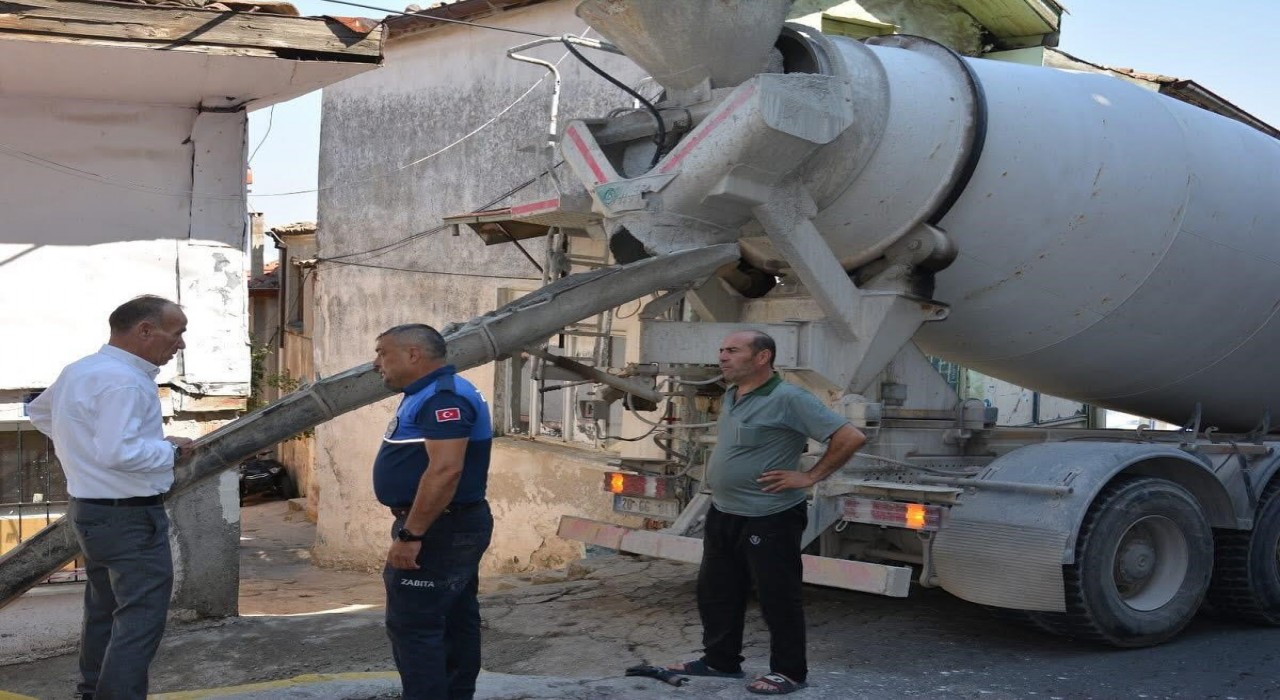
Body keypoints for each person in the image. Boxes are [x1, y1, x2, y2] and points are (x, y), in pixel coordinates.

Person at [668, 329, 866, 696]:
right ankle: (720, 661)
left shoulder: (789, 398)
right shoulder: (733, 394)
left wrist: (810, 476)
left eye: (733, 350)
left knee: (777, 596)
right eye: (722, 349)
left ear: (762, 357)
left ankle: (789, 672)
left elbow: (850, 437)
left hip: (770, 515)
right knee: (717, 591)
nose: (722, 356)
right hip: (724, 511)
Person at [27, 295, 193, 700]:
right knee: (140, 619)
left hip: (91, 511)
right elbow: (120, 452)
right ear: (145, 330)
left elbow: (40, 413)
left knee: (104, 611)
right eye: (177, 333)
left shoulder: (81, 370)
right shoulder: (125, 381)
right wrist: (171, 451)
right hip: (128, 517)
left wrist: (82, 450)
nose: (181, 344)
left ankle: (91, 692)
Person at [370, 323, 494, 700]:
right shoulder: (426, 393)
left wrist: (411, 534)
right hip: (446, 524)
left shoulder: (443, 399)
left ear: (413, 354)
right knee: (454, 619)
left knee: (415, 625)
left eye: (383, 353)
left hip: (439, 528)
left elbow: (445, 470)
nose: (377, 363)